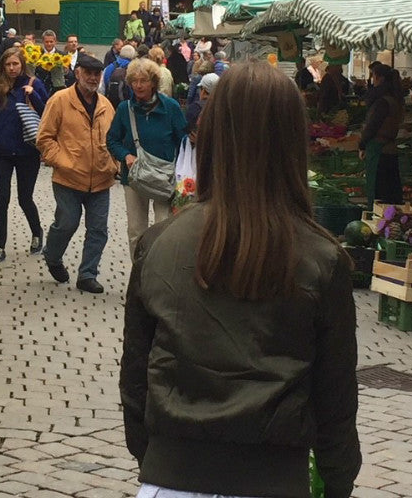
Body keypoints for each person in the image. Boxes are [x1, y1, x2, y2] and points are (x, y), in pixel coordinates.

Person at [120, 61, 360, 498]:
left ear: (212, 136)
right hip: (272, 477)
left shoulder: (160, 243)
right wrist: (337, 481)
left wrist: (154, 458)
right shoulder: (323, 258)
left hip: (173, 476)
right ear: (292, 143)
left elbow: (135, 379)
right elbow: (336, 400)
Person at [36, 52, 117, 294]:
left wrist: (115, 163)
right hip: (68, 178)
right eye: (88, 73)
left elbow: (113, 139)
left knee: (98, 229)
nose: (92, 78)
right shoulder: (60, 100)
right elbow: (44, 138)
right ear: (77, 72)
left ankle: (87, 274)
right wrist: (63, 161)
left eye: (97, 74)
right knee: (67, 223)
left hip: (101, 178)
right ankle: (53, 255)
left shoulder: (106, 105)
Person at [108, 57, 187, 259]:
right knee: (136, 231)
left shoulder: (170, 107)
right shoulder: (125, 109)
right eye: (134, 81)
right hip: (134, 177)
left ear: (153, 82)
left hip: (165, 177)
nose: (138, 86)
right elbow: (112, 139)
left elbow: (183, 141)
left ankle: (157, 274)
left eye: (143, 81)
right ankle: (138, 277)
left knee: (163, 228)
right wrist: (125, 155)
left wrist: (183, 173)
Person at [0, 47, 48, 264]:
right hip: (2, 151)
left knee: (24, 198)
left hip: (27, 151)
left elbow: (47, 113)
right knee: (1, 197)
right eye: (8, 65)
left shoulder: (33, 84)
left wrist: (35, 96)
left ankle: (37, 232)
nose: (12, 68)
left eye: (15, 64)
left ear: (22, 65)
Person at [358, 64, 405, 207]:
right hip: (390, 149)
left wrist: (362, 144)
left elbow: (372, 126)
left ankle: (378, 221)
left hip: (378, 149)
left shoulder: (382, 102)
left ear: (379, 78)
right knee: (390, 192)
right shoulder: (394, 98)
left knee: (378, 191)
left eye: (373, 76)